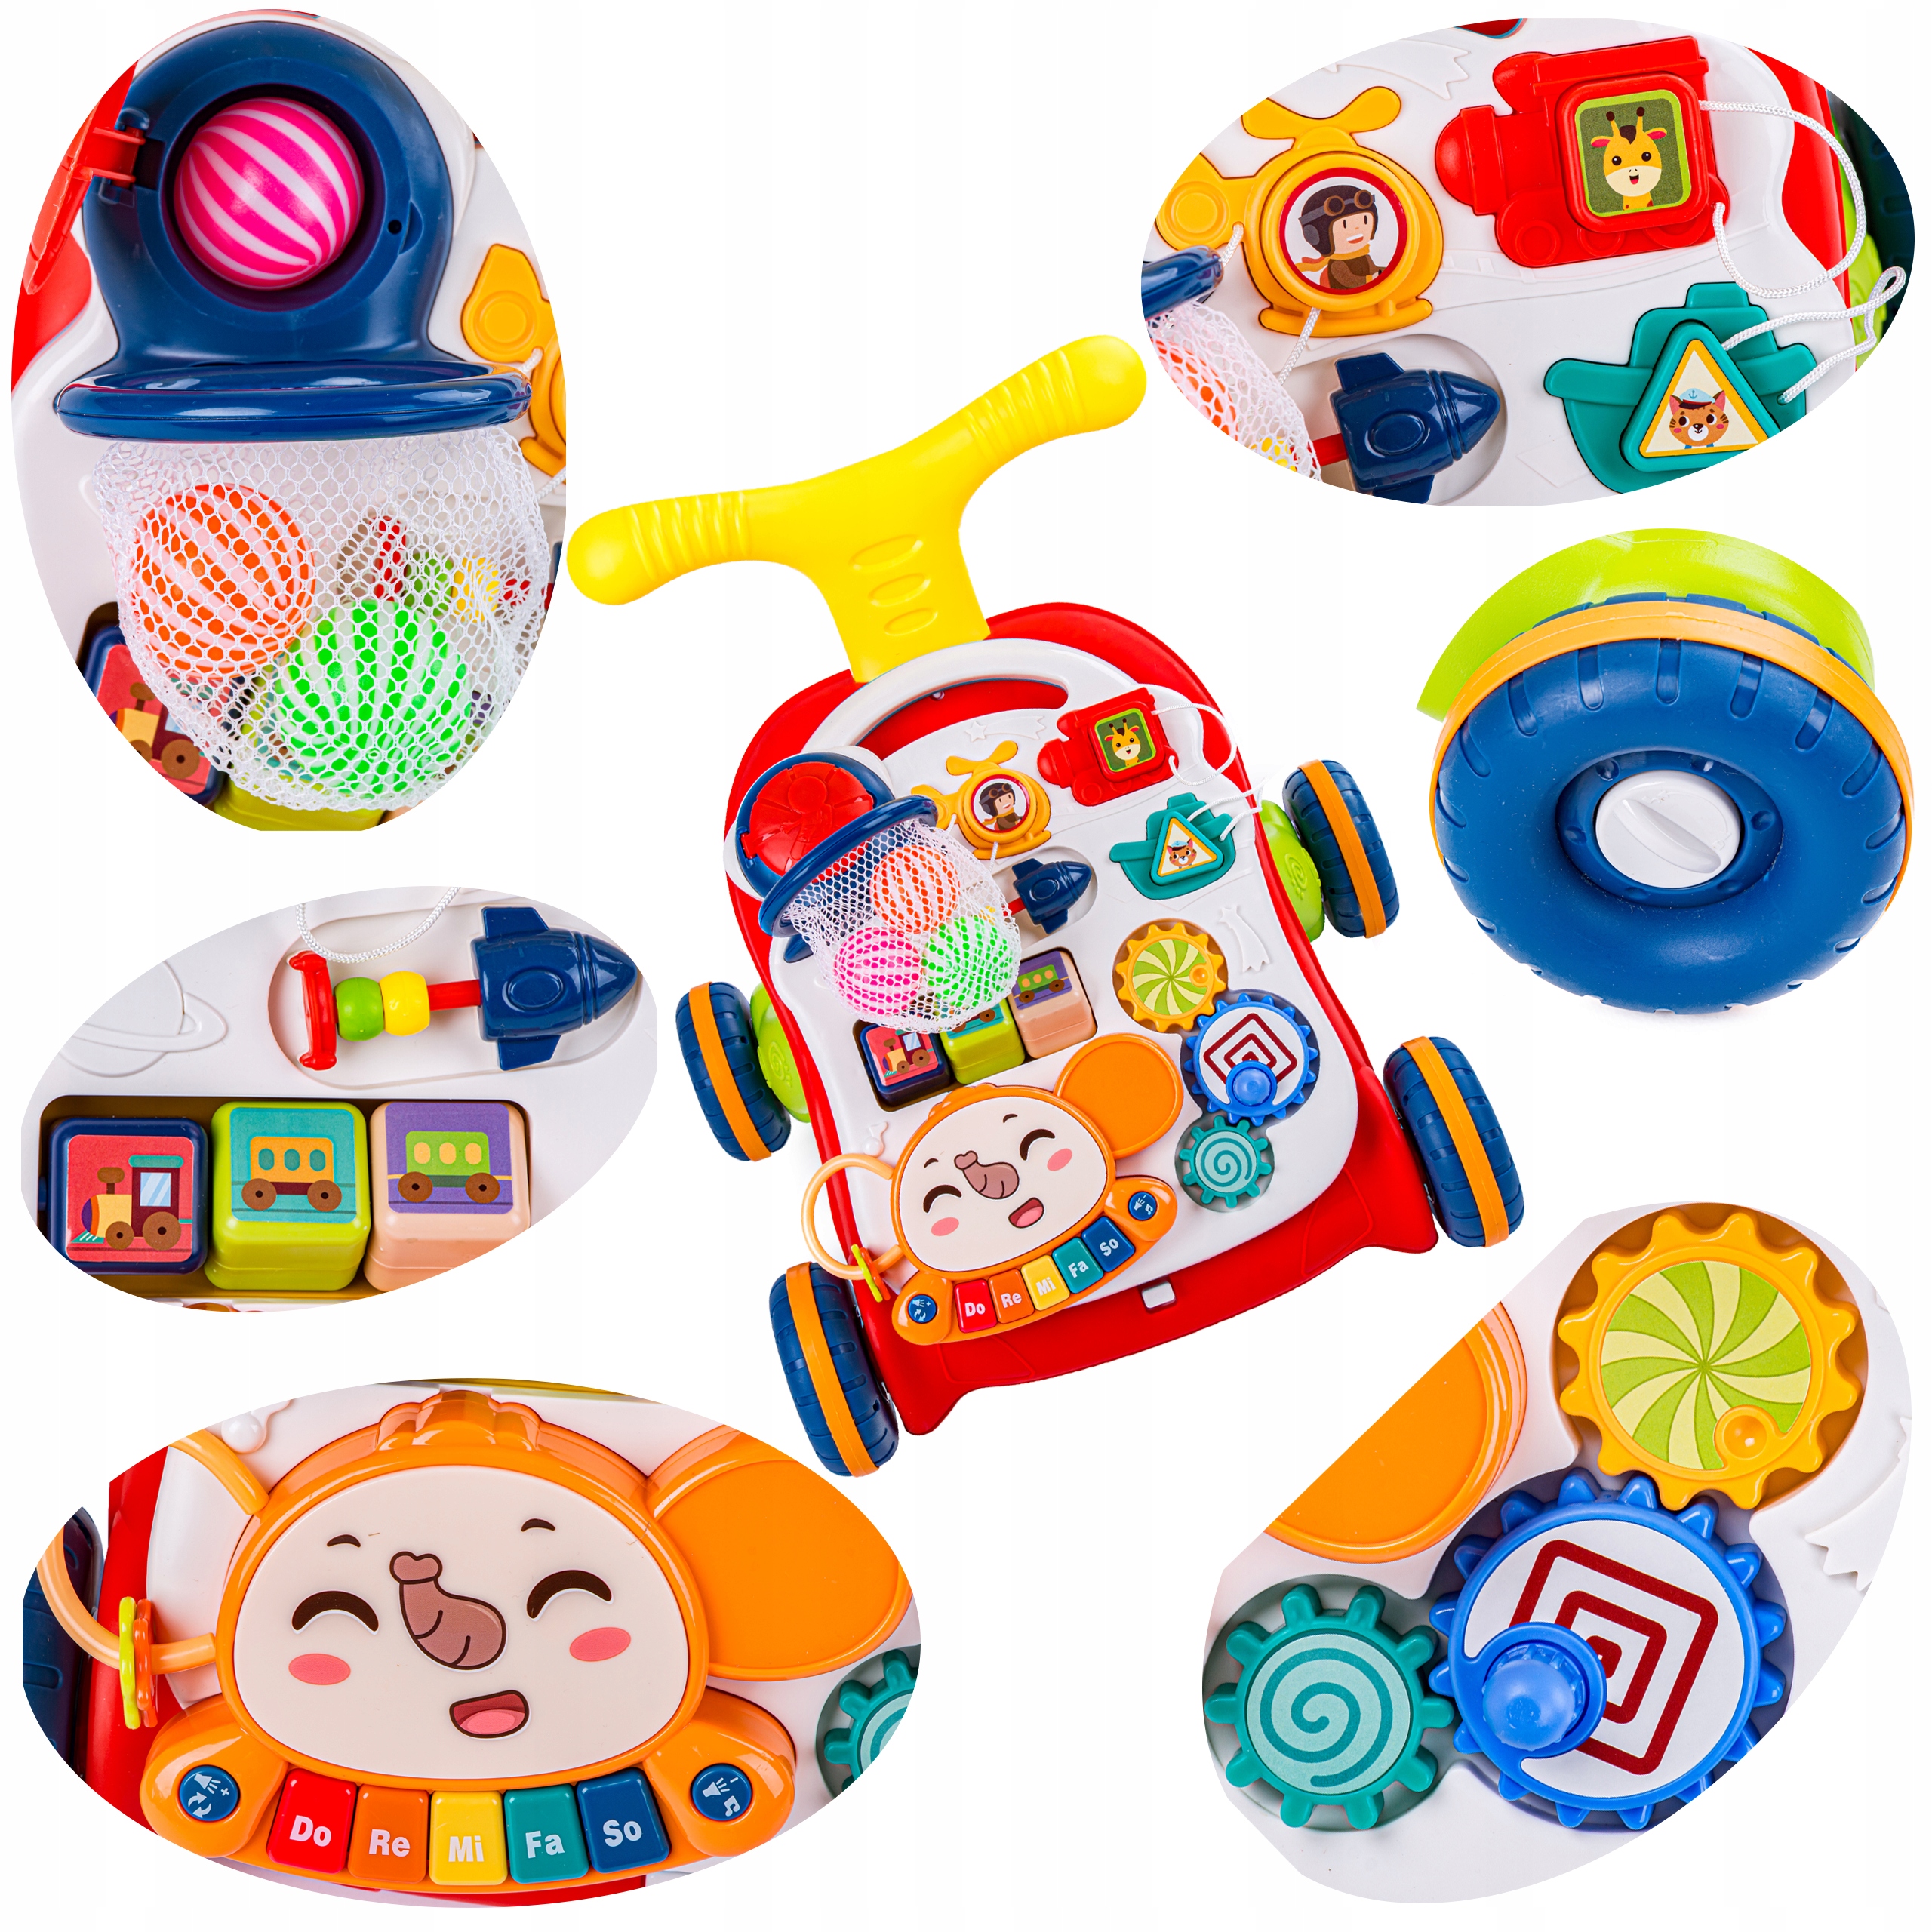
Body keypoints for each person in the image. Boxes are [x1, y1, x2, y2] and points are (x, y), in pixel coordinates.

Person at [1297, 185, 1382, 291]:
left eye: (1365, 220)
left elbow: (1375, 270)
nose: (1356, 228)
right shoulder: (1337, 264)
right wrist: (1371, 279)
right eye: (1344, 225)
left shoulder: (1364, 256)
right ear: (1317, 236)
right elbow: (1350, 280)